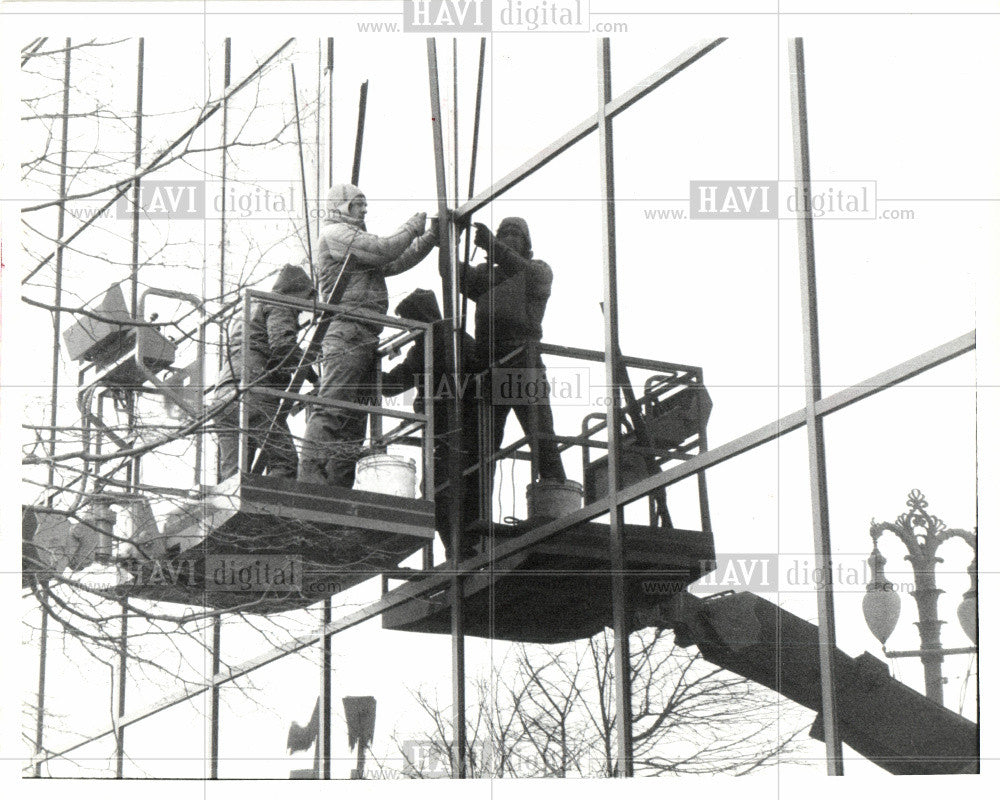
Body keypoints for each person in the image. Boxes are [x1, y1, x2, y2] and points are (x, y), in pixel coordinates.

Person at [299, 184, 437, 487]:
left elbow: (396, 259)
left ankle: (338, 483)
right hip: (347, 331)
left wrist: (429, 237)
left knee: (356, 416)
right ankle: (310, 478)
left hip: (362, 335)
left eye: (364, 204)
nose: (364, 210)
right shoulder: (336, 235)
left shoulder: (356, 245)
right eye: (357, 204)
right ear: (341, 207)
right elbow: (384, 249)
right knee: (333, 407)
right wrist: (412, 228)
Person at [461, 217, 567, 484]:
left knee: (542, 440)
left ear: (526, 243)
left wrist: (493, 244)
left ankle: (555, 500)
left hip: (523, 362)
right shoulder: (487, 276)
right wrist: (448, 240)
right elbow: (452, 273)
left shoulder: (539, 271)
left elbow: (524, 274)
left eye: (514, 233)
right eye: (503, 232)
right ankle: (475, 517)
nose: (508, 236)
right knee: (481, 450)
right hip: (489, 367)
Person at [382, 289, 482, 559]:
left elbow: (478, 376)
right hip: (442, 431)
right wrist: (368, 363)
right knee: (437, 491)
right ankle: (459, 549)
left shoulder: (455, 341)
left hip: (462, 428)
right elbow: (392, 385)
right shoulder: (422, 349)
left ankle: (462, 549)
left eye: (410, 319)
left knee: (444, 490)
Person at [214, 263, 316, 480]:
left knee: (233, 477)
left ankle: (245, 511)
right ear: (296, 293)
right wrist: (316, 377)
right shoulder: (279, 303)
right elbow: (282, 346)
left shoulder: (247, 310)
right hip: (254, 391)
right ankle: (269, 511)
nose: (301, 309)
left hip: (224, 395)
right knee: (285, 462)